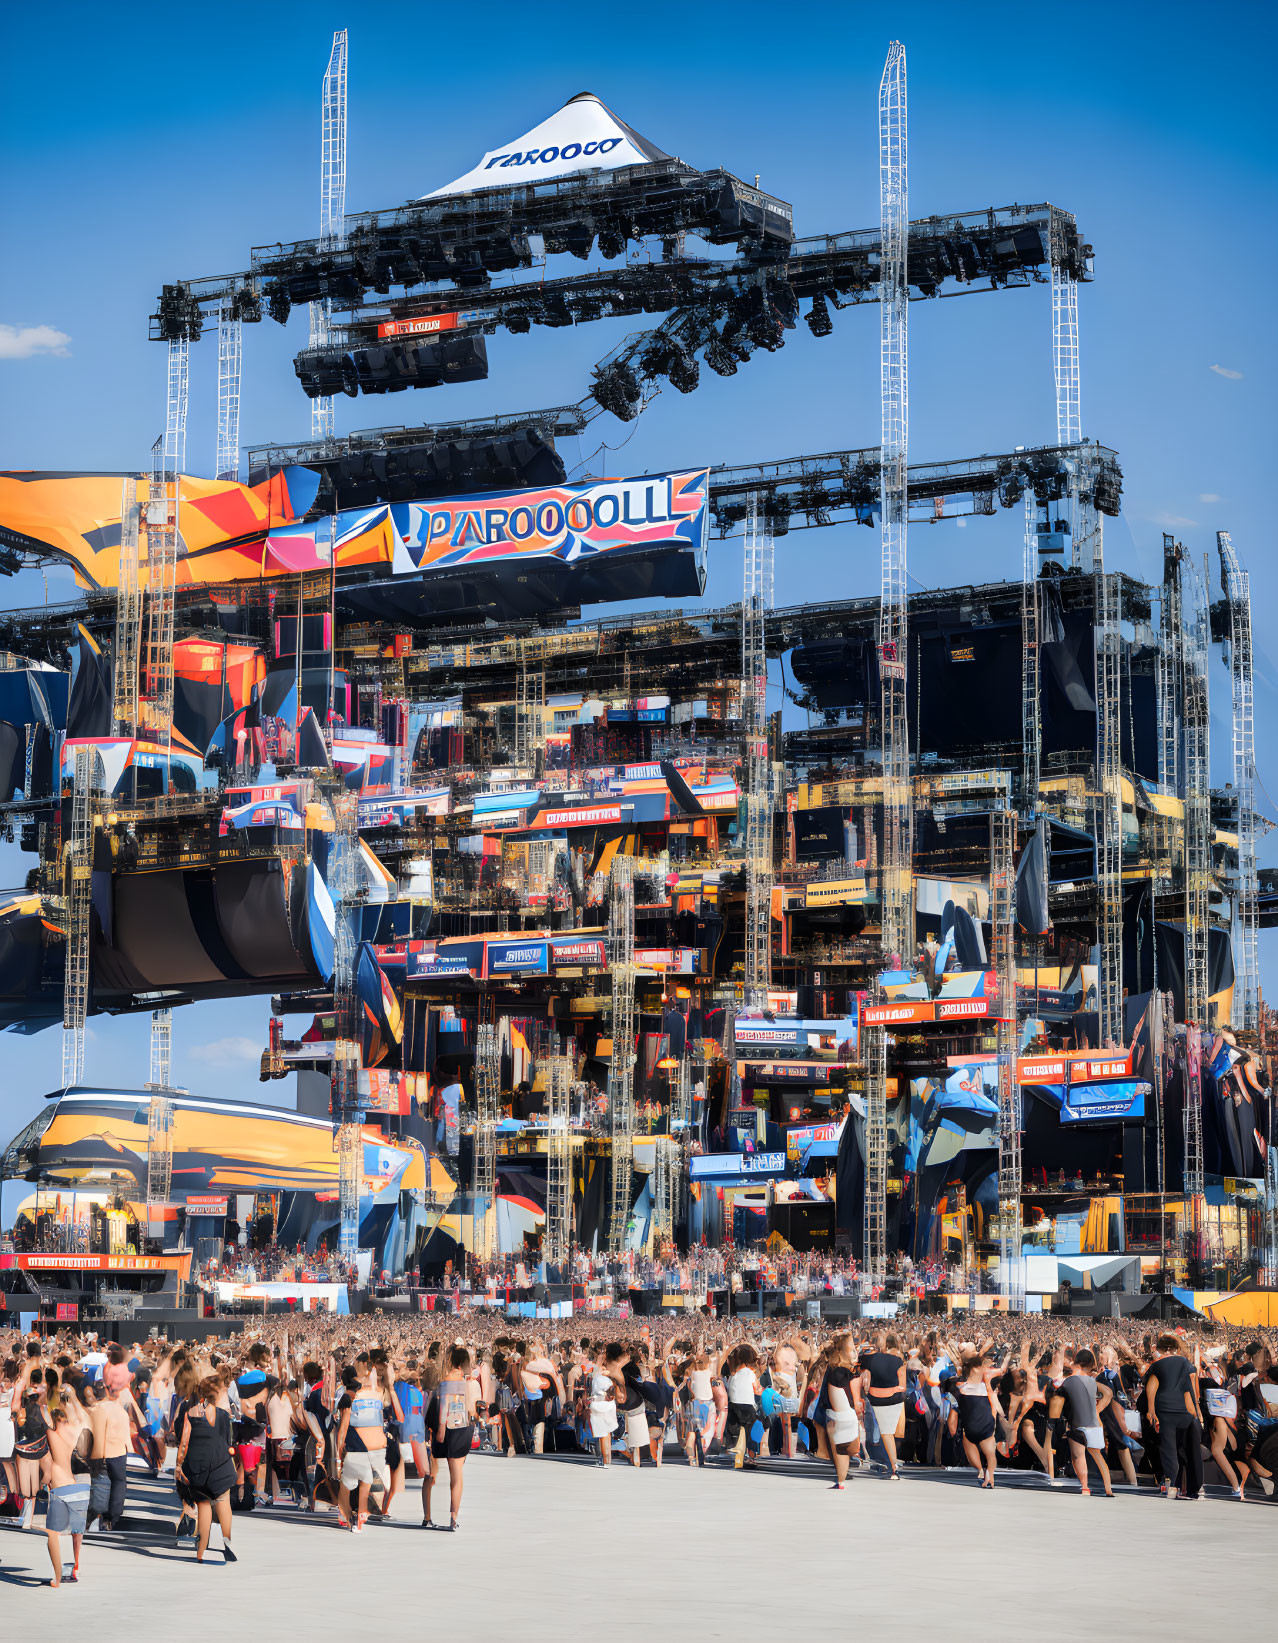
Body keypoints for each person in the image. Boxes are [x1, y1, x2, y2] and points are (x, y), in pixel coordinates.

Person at [174, 1375, 238, 1564]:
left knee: (203, 1505)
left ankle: (201, 1551)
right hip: (220, 1466)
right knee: (223, 1502)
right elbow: (228, 1443)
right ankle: (226, 1541)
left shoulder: (191, 1413)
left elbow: (184, 1442)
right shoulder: (224, 1416)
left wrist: (179, 1466)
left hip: (197, 1466)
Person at [1145, 1332, 1204, 1500]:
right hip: (1184, 1411)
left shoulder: (1157, 1365)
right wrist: (1196, 1413)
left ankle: (1172, 1486)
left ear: (1161, 1349)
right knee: (1186, 1450)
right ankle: (1192, 1487)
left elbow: (1151, 1388)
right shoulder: (1185, 1363)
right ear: (1176, 1348)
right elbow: (1190, 1389)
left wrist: (1151, 1411)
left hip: (1165, 1410)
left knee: (1169, 1450)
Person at [1049, 1348, 1114, 1497]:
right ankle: (1108, 1488)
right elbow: (1109, 1393)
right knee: (1099, 1458)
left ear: (1075, 1362)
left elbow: (1055, 1391)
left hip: (1077, 1424)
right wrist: (1098, 1410)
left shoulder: (1068, 1381)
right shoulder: (1092, 1381)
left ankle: (1085, 1487)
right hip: (1094, 1424)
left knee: (1078, 1456)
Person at [426, 1345, 478, 1531]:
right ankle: (454, 1515)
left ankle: (448, 1515)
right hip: (464, 1427)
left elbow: (445, 1406)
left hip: (450, 1427)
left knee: (449, 1475)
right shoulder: (469, 1381)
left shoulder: (448, 1380)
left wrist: (440, 1428)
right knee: (458, 1476)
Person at [42, 1401, 91, 1587]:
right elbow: (83, 1420)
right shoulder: (73, 1433)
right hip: (75, 1486)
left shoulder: (51, 1434)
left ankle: (58, 1577)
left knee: (52, 1534)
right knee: (77, 1532)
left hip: (59, 1489)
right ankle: (75, 1566)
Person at [945, 1353, 1001, 1488]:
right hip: (984, 1423)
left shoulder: (961, 1384)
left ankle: (982, 1470)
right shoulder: (986, 1384)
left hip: (972, 1423)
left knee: (969, 1440)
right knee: (989, 1453)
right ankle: (989, 1475)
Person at [859, 1330, 907, 1481]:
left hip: (877, 1399)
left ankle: (891, 1466)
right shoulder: (899, 1360)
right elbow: (903, 1385)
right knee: (888, 1434)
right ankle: (892, 1465)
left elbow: (862, 1371)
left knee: (883, 1433)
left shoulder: (869, 1359)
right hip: (894, 1399)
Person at [819, 1333, 863, 1489]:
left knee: (840, 1452)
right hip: (846, 1416)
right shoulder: (846, 1372)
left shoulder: (835, 1370)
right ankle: (841, 1482)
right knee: (842, 1451)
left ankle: (841, 1482)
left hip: (839, 1417)